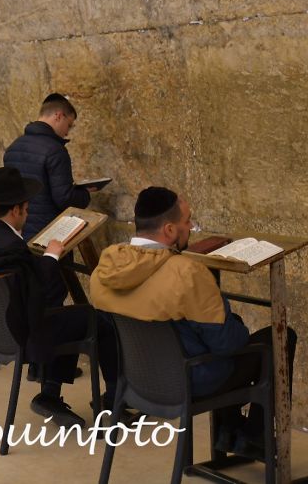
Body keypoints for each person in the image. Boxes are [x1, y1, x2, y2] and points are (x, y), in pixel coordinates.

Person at [89, 187, 296, 457]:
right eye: (187, 221)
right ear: (170, 230)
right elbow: (228, 344)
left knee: (212, 332)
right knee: (278, 340)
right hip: (188, 381)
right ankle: (254, 434)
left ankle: (230, 431)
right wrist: (230, 317)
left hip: (139, 381)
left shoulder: (106, 267)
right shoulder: (185, 272)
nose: (190, 228)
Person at [0, 167, 118, 428]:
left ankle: (49, 394)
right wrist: (51, 257)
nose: (27, 214)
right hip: (23, 331)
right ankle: (115, 401)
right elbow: (38, 289)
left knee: (70, 317)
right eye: (26, 209)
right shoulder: (11, 245)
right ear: (16, 210)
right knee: (96, 319)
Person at [3, 93, 93, 239]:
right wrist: (85, 193)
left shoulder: (13, 147)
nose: (67, 132)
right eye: (69, 125)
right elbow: (64, 199)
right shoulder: (55, 150)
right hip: (49, 233)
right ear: (58, 116)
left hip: (20, 230)